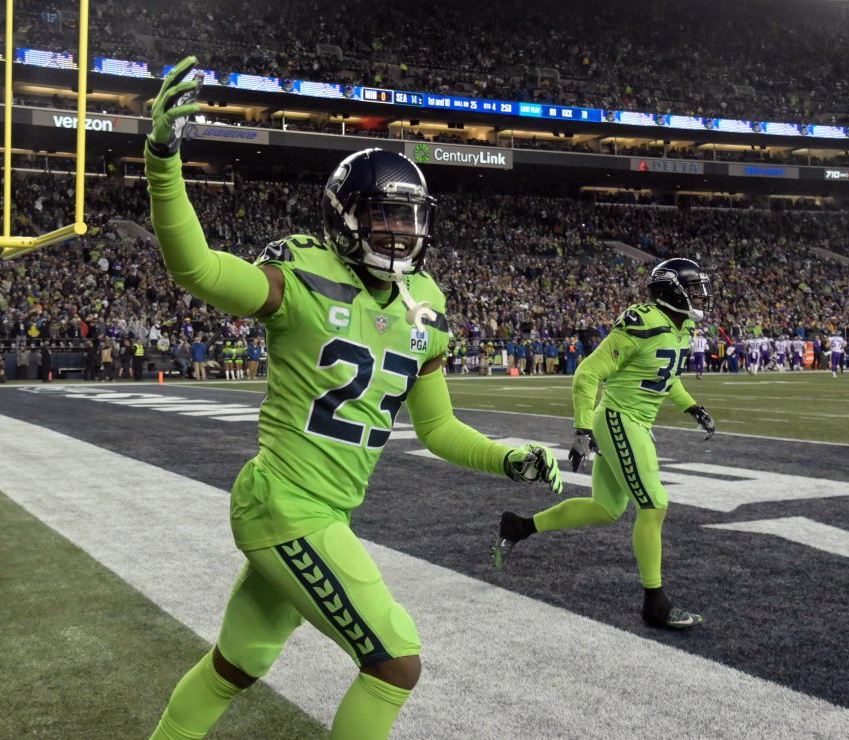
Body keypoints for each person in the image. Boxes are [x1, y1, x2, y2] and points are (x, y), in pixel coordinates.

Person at [143, 56, 563, 740]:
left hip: (319, 509)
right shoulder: (303, 273)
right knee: (395, 661)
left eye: (408, 218)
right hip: (287, 505)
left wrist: (506, 458)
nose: (398, 231)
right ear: (345, 217)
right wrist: (164, 160)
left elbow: (438, 428)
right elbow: (197, 269)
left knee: (236, 665)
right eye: (382, 215)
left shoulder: (426, 303)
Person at [492, 258, 716, 631]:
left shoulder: (682, 328)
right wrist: (581, 429)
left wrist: (692, 407)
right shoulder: (641, 323)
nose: (699, 296)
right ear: (670, 291)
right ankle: (655, 603)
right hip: (618, 420)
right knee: (655, 504)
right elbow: (588, 372)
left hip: (635, 423)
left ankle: (519, 527)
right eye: (692, 289)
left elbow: (665, 377)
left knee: (606, 508)